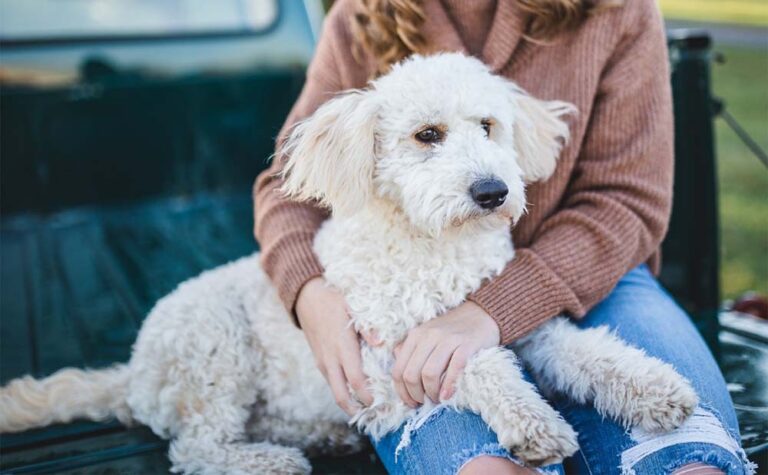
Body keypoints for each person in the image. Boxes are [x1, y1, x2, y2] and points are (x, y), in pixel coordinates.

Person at [254, 1, 753, 473]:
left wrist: (492, 311)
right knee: (490, 467)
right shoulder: (366, 11)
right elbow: (287, 185)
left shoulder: (616, 10)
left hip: (598, 280)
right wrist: (309, 292)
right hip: (411, 295)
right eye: (428, 135)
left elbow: (627, 200)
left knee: (689, 457)